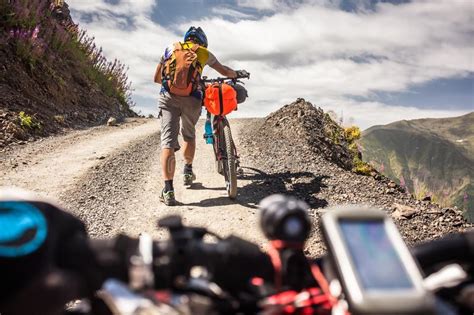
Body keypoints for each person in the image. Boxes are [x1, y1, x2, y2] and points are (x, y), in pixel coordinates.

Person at [154, 26, 239, 206]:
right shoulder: (203, 52)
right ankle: (187, 170)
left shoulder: (171, 47)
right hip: (192, 99)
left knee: (167, 142)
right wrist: (236, 74)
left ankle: (168, 190)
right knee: (189, 135)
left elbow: (156, 78)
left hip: (168, 97)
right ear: (202, 41)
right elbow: (224, 72)